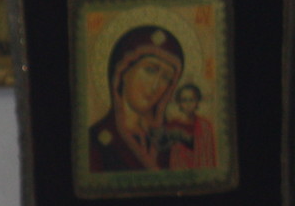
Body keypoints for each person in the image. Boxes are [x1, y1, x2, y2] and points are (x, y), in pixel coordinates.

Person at [87, 24, 185, 174]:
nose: (155, 86)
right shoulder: (96, 141)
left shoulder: (169, 140)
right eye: (150, 70)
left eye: (166, 77)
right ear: (124, 71)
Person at [162, 81, 218, 170]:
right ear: (179, 103)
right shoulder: (173, 125)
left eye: (191, 100)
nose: (188, 104)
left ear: (197, 102)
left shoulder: (205, 126)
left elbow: (208, 155)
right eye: (184, 100)